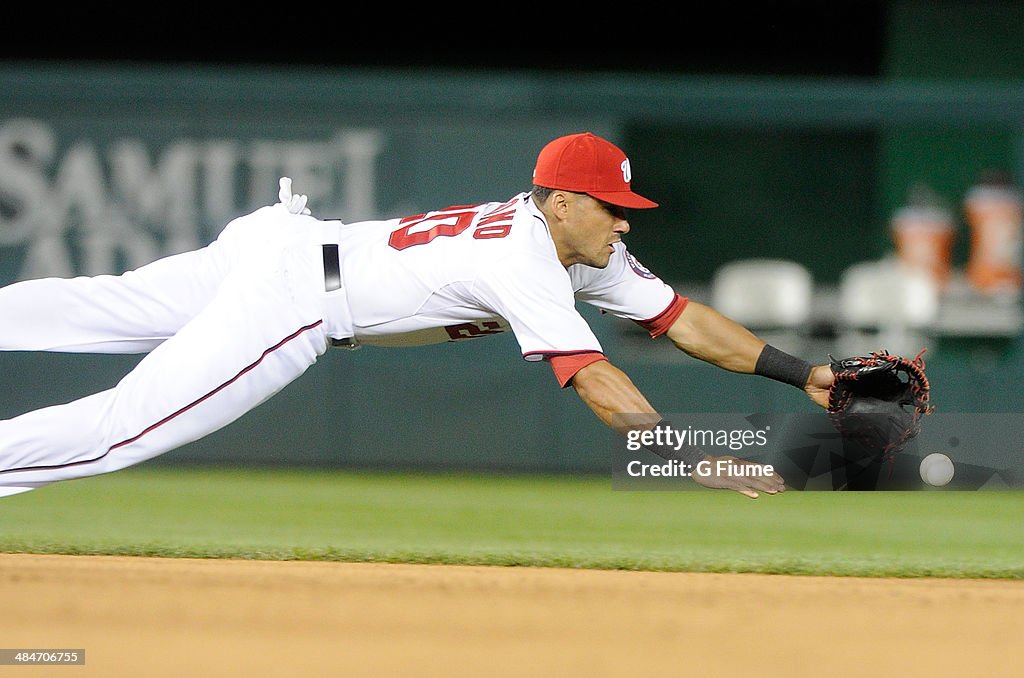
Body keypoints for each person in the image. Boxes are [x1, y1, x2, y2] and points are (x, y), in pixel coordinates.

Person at [0, 132, 834, 499]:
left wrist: (805, 376)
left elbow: (684, 321)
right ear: (557, 201)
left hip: (279, 244)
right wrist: (683, 453)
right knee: (122, 431)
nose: (624, 220)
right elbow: (594, 376)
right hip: (294, 302)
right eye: (608, 205)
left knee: (85, 307)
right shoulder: (526, 254)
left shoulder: (585, 248)